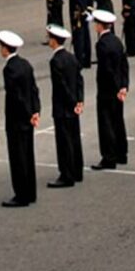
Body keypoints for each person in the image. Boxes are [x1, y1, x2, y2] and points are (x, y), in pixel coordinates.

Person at [0, 30, 40, 208]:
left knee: (18, 158)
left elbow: (16, 96)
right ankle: (30, 192)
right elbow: (33, 90)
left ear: (6, 49)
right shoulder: (25, 64)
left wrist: (25, 113)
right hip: (28, 117)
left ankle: (21, 194)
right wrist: (35, 111)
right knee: (28, 155)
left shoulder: (9, 69)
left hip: (17, 119)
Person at [90, 10, 130, 171]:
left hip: (107, 90)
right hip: (118, 88)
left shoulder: (102, 44)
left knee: (106, 123)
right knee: (118, 121)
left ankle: (109, 157)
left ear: (100, 25)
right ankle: (122, 153)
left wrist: (114, 87)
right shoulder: (117, 41)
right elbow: (123, 65)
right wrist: (123, 86)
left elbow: (107, 70)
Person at [45, 25, 84, 188]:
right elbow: (79, 80)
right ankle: (77, 170)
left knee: (64, 142)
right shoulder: (71, 57)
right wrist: (79, 101)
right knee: (74, 139)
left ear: (54, 40)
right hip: (73, 106)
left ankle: (66, 174)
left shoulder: (56, 61)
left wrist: (72, 102)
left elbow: (61, 86)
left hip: (63, 107)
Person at [68, 0, 93, 69]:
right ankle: (87, 60)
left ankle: (79, 61)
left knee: (78, 38)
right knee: (86, 36)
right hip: (85, 14)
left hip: (77, 15)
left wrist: (79, 12)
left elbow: (75, 1)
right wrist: (88, 11)